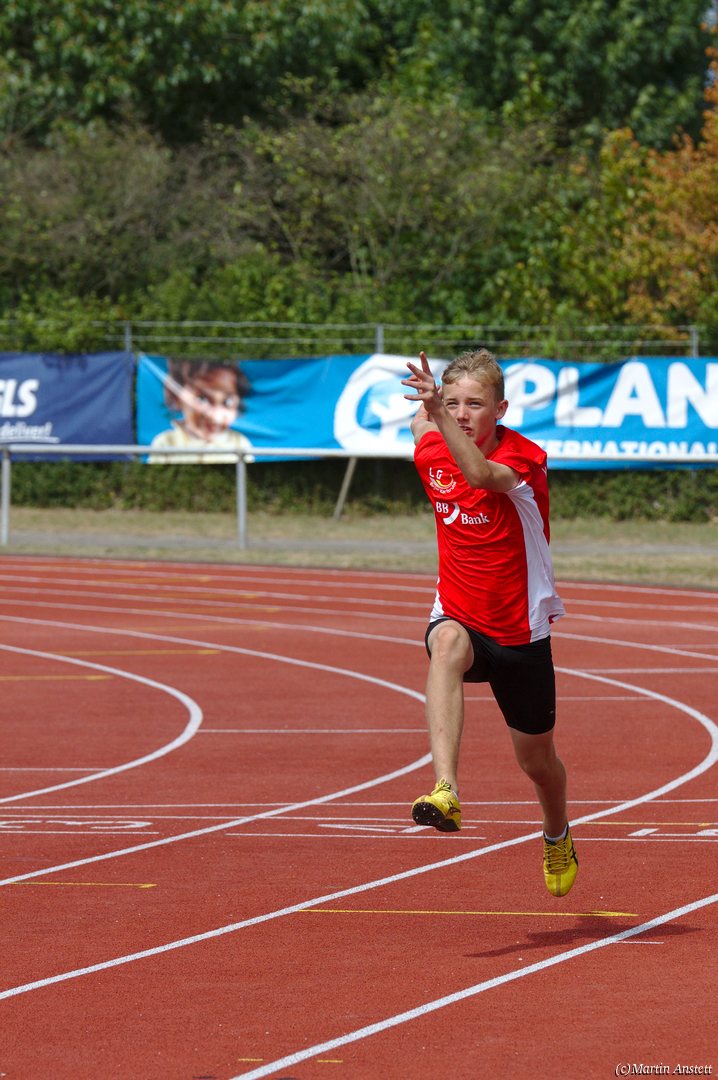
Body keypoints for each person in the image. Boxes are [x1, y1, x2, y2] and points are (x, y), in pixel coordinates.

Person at [401, 348, 578, 897]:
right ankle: (446, 789)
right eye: (452, 403)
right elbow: (419, 424)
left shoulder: (524, 460)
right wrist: (429, 406)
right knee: (446, 644)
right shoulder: (430, 443)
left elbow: (478, 474)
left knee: (537, 761)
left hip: (520, 633)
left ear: (500, 409)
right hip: (460, 615)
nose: (461, 414)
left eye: (474, 404)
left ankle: (557, 833)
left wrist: (434, 410)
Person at [148, 358, 254, 464]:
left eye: (228, 402)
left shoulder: (240, 443)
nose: (215, 417)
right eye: (202, 399)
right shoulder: (165, 443)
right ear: (176, 397)